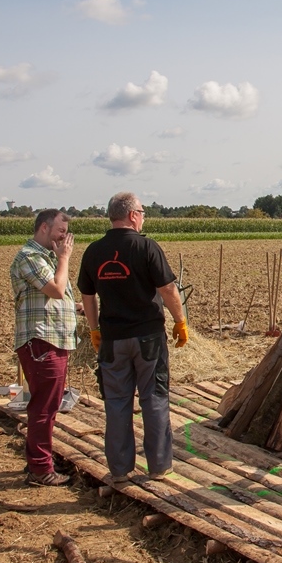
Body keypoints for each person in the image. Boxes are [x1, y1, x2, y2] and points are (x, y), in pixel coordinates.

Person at [77, 192, 188, 483]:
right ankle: (159, 467)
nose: (143, 216)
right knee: (154, 398)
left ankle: (120, 469)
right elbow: (168, 290)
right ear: (132, 215)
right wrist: (180, 321)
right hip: (148, 338)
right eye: (142, 211)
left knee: (116, 402)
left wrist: (94, 329)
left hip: (112, 339)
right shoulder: (146, 247)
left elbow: (88, 296)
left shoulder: (93, 251)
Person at [10, 209, 78, 487]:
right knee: (43, 407)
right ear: (43, 228)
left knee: (48, 405)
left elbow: (58, 298)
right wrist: (64, 258)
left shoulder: (45, 258)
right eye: (60, 231)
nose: (64, 237)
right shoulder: (30, 257)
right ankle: (40, 469)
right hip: (41, 341)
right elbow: (55, 290)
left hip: (53, 339)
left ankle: (41, 463)